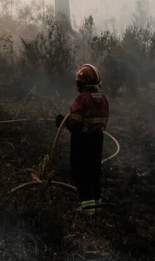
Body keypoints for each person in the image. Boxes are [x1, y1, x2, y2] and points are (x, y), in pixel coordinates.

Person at [55, 63, 109, 215]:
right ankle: (97, 205)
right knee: (94, 172)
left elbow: (75, 123)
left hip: (82, 141)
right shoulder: (103, 99)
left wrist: (63, 122)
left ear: (83, 83)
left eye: (79, 82)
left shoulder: (82, 99)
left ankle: (87, 209)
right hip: (98, 140)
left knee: (81, 172)